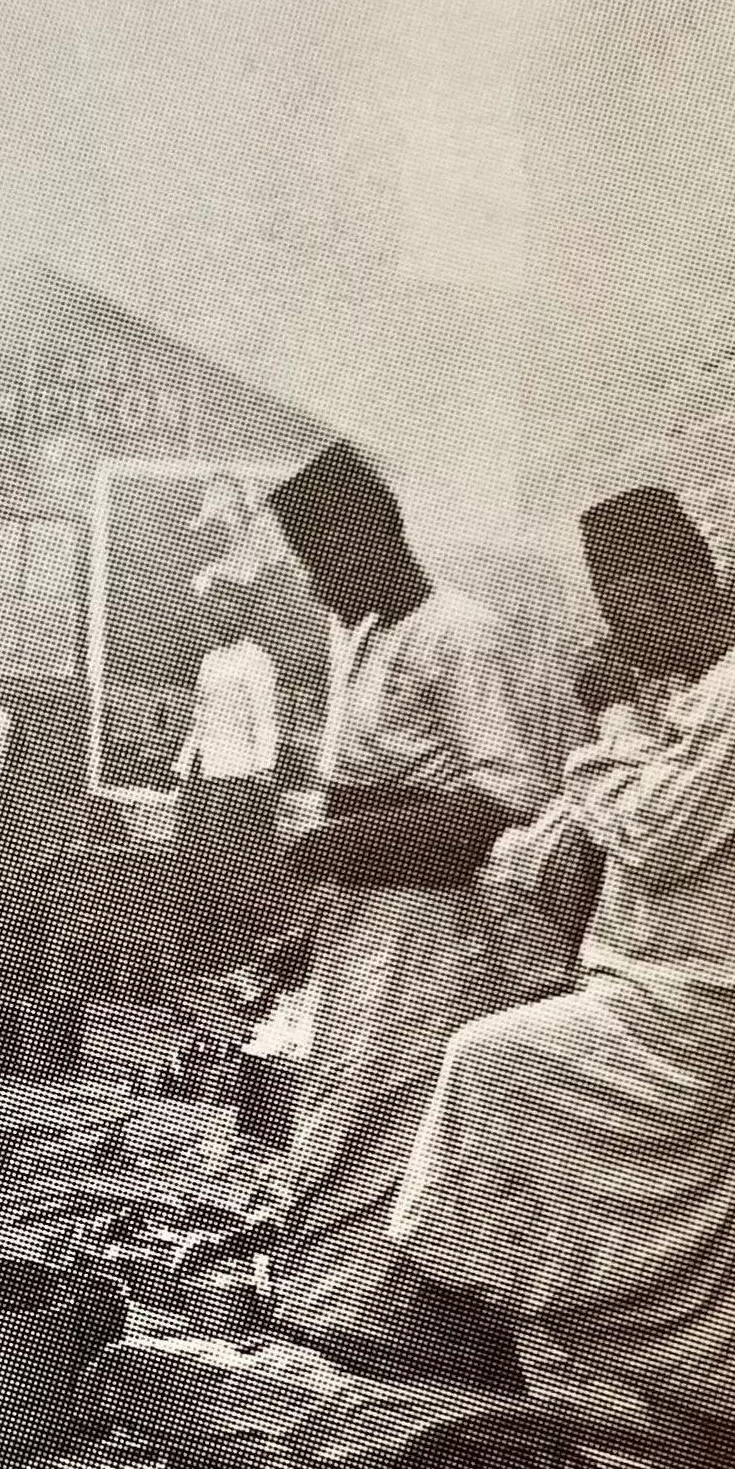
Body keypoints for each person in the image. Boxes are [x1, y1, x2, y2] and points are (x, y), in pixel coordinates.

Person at [390, 487, 735, 1469]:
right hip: (684, 1003)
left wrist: (611, 725)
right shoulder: (724, 691)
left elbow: (652, 828)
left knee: (486, 1061)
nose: (621, 640)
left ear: (666, 594)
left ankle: (454, 1308)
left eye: (628, 615)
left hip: (705, 1015)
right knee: (706, 1272)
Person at [257, 443, 562, 1371]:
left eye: (323, 566)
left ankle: (417, 1330)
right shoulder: (366, 635)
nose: (316, 589)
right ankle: (341, 1315)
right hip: (366, 922)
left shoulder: (458, 634)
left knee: (406, 1112)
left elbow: (503, 800)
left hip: (438, 928)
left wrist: (343, 842)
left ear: (373, 542)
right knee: (344, 1098)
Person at [172, 580, 282, 979]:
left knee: (234, 864)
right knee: (194, 858)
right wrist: (187, 762)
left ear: (241, 612)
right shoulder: (210, 661)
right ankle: (200, 954)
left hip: (238, 772)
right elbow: (202, 717)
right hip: (203, 769)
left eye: (228, 608)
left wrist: (263, 772)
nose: (218, 616)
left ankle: (239, 956)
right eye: (212, 609)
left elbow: (265, 719)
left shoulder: (256, 661)